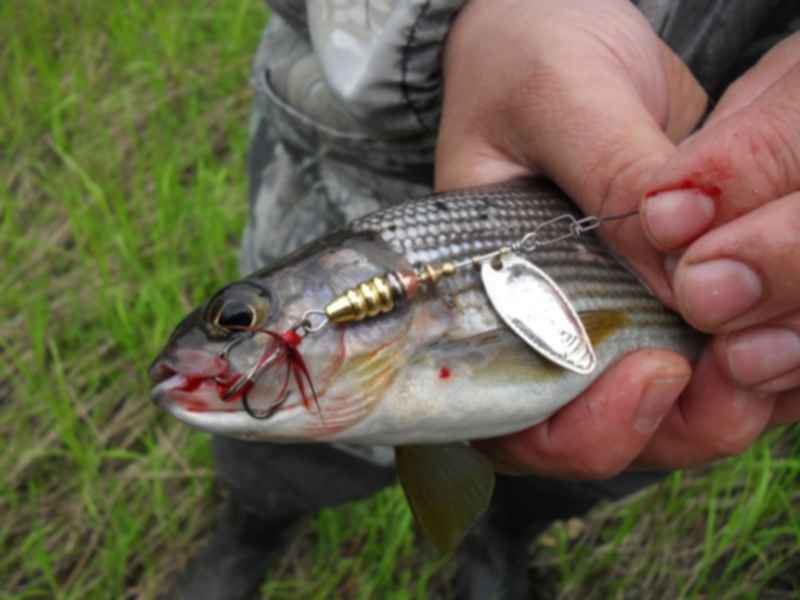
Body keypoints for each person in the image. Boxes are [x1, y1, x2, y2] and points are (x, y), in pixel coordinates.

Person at [168, 1, 800, 598]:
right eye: (238, 319)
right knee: (282, 465)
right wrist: (476, 13)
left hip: (722, 224)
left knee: (590, 461)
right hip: (352, 151)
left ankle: (502, 538)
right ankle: (253, 523)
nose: (231, 341)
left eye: (240, 320)